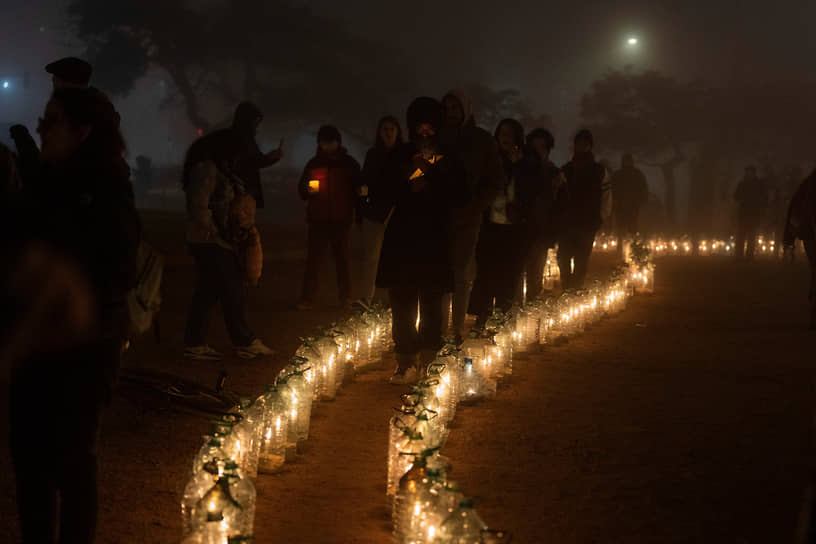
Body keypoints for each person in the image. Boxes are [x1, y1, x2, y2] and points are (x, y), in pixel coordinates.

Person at [3, 86, 139, 544]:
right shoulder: (43, 179)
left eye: (50, 121)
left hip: (86, 344)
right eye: (41, 121)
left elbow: (115, 267)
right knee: (29, 459)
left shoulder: (107, 189)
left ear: (83, 131)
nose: (40, 130)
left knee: (72, 456)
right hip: (37, 341)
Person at [375, 97, 468, 383]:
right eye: (420, 127)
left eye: (431, 127)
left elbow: (461, 193)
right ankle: (405, 361)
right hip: (403, 239)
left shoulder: (450, 157)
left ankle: (430, 360)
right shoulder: (398, 155)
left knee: (431, 303)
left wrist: (432, 175)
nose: (425, 133)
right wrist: (415, 172)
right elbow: (387, 189)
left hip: (435, 238)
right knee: (402, 303)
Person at [182, 129, 275, 360]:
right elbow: (199, 207)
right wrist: (218, 231)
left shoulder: (220, 170)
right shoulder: (207, 170)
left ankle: (195, 342)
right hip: (208, 241)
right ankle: (243, 340)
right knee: (231, 287)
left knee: (209, 290)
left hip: (213, 239)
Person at [438, 89, 505, 343]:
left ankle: (456, 328)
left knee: (462, 271)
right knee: (441, 273)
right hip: (438, 216)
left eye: (456, 108)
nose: (452, 113)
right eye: (448, 108)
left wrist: (478, 204)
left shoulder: (481, 141)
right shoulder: (437, 139)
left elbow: (495, 178)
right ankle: (440, 328)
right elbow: (423, 169)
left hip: (467, 216)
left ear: (466, 110)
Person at [469, 119, 528, 327]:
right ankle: (482, 319)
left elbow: (531, 190)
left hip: (514, 230)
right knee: (486, 274)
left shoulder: (526, 162)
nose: (505, 138)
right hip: (490, 226)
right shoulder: (490, 159)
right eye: (502, 133)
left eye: (510, 134)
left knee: (509, 276)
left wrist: (518, 165)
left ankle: (501, 321)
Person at [296, 125, 361, 310]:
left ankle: (346, 297)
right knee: (314, 260)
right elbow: (302, 189)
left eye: (330, 141)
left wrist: (359, 212)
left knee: (342, 260)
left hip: (341, 219)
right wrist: (308, 190)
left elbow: (359, 189)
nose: (327, 146)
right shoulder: (313, 163)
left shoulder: (349, 164)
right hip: (318, 219)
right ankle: (306, 298)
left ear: (338, 142)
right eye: (324, 142)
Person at [10, 57, 94, 188]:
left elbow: (46, 182)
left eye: (57, 78)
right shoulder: (92, 111)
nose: (53, 81)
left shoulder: (75, 112)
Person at [558, 129, 612, 290]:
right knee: (563, 258)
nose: (581, 147)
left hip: (588, 223)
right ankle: (567, 289)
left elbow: (606, 196)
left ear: (590, 146)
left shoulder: (599, 171)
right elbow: (558, 196)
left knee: (581, 260)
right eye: (578, 144)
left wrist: (601, 217)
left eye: (585, 144)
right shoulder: (566, 170)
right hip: (566, 222)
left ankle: (575, 291)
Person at [516, 128, 565, 300]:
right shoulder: (519, 170)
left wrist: (553, 233)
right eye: (534, 147)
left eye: (542, 147)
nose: (538, 152)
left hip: (541, 231)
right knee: (515, 274)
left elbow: (558, 205)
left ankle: (529, 315)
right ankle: (512, 317)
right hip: (519, 229)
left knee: (535, 275)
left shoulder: (554, 174)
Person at [358, 115, 403, 303]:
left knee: (398, 258)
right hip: (375, 214)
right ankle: (366, 298)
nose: (388, 133)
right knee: (371, 258)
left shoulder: (404, 154)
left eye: (392, 129)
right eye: (385, 129)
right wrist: (364, 205)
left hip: (398, 214)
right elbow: (364, 181)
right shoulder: (373, 154)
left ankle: (398, 299)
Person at [230, 101, 283, 209]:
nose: (257, 125)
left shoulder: (247, 139)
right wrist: (270, 157)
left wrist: (271, 157)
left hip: (245, 191)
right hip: (241, 191)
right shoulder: (239, 139)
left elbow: (256, 160)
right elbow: (250, 162)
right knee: (240, 221)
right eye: (255, 121)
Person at [782, 169, 816, 329]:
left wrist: (789, 237)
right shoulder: (809, 184)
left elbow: (794, 209)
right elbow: (796, 209)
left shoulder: (807, 183)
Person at [611, 153, 649, 242]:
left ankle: (632, 245)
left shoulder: (637, 174)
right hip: (620, 205)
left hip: (633, 205)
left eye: (628, 161)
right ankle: (621, 244)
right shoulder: (618, 175)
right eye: (625, 161)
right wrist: (614, 201)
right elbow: (613, 189)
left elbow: (643, 188)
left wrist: (642, 200)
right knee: (621, 226)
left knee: (632, 225)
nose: (627, 163)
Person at [734, 165, 769, 260]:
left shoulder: (758, 185)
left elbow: (764, 197)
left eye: (750, 172)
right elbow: (736, 196)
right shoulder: (742, 184)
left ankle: (749, 255)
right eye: (747, 172)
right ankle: (739, 255)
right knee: (742, 235)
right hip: (744, 213)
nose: (749, 174)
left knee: (751, 235)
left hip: (753, 213)